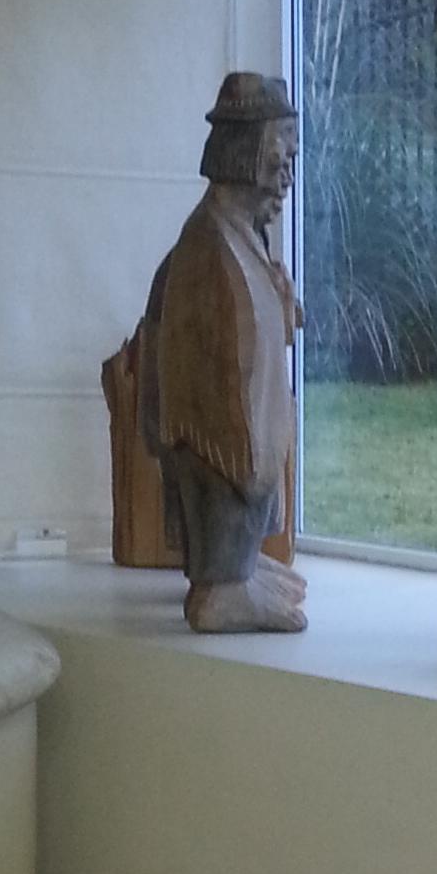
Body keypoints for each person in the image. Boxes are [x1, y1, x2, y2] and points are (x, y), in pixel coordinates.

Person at [140, 74, 305, 633]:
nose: (287, 173)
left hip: (228, 448)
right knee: (222, 471)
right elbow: (220, 393)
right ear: (246, 153)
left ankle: (236, 566)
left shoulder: (239, 236)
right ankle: (221, 586)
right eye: (280, 154)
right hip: (217, 448)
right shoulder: (211, 250)